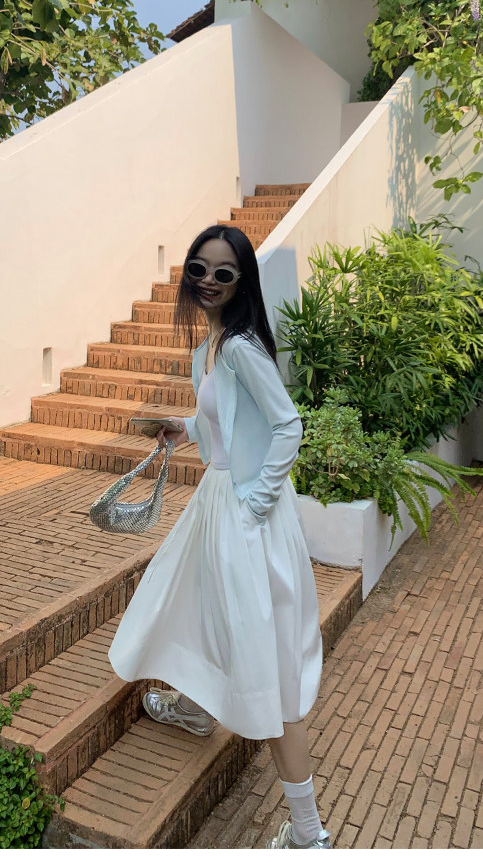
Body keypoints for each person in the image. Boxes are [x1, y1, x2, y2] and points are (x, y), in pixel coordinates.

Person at [108, 225, 330, 850]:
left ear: (242, 281)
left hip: (244, 515)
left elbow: (289, 426)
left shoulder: (238, 348)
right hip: (220, 506)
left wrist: (254, 504)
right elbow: (226, 423)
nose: (208, 281)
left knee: (267, 666)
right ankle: (200, 705)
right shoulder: (210, 345)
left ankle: (309, 835)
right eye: (198, 269)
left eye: (224, 273)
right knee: (200, 606)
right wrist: (183, 427)